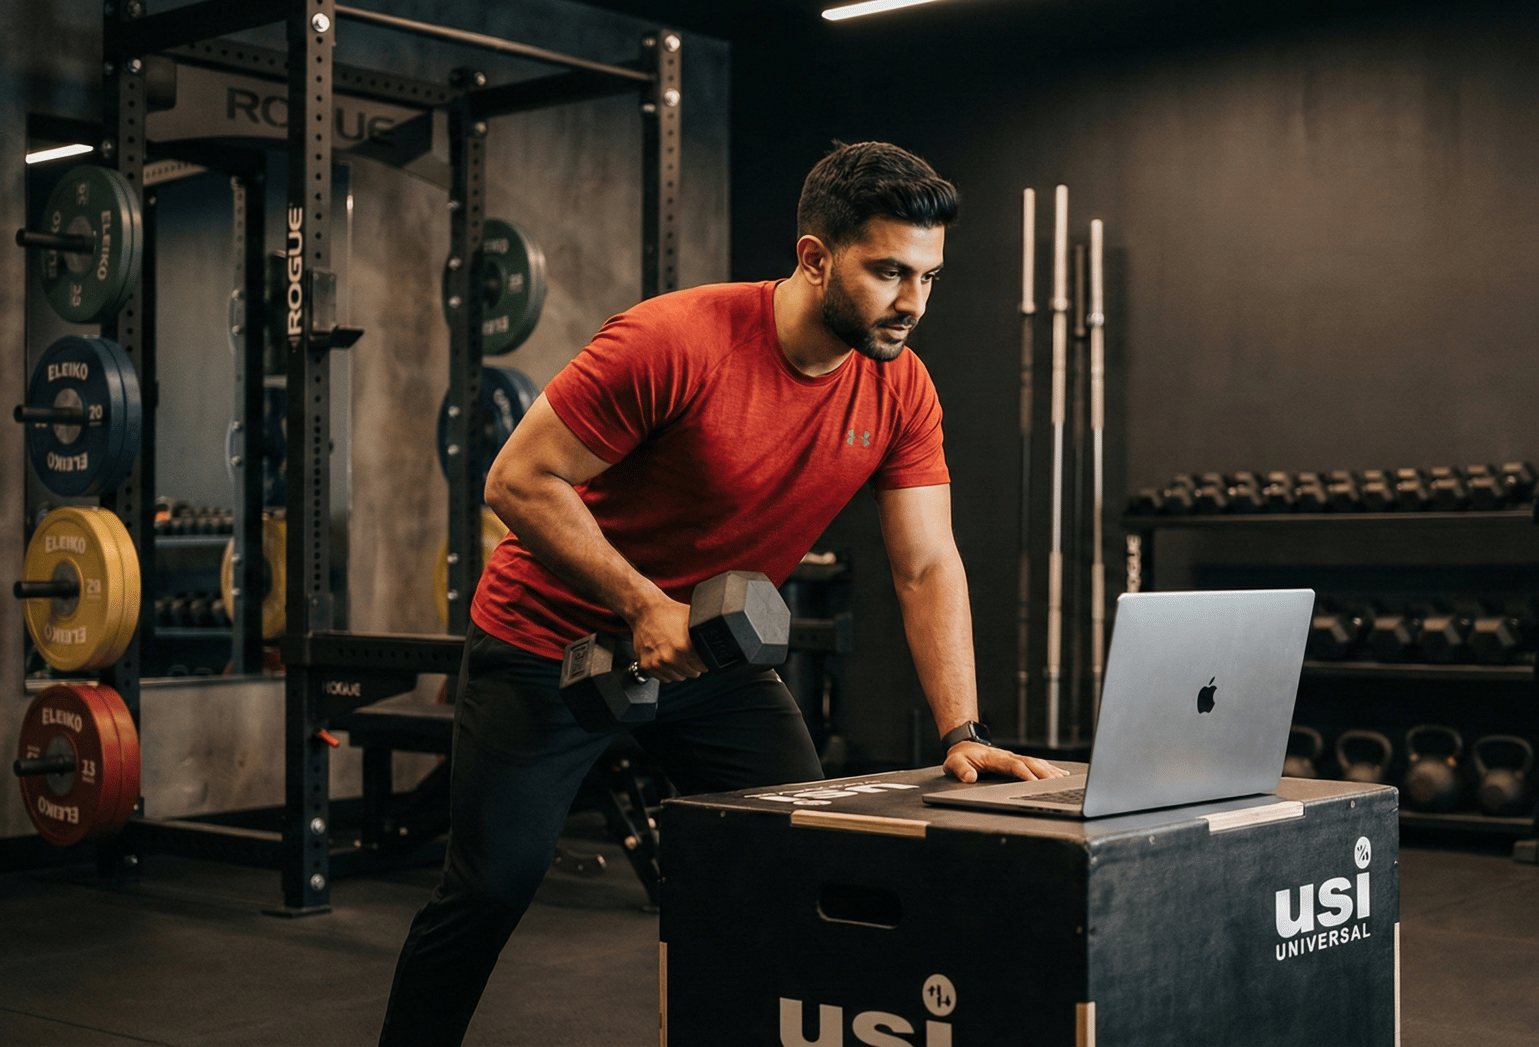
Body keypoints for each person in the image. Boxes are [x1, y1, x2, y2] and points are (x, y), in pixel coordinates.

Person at [379, 141, 1066, 1045]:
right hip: (551, 640)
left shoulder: (901, 389)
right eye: (889, 271)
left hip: (710, 654)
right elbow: (516, 481)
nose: (912, 303)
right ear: (814, 256)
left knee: (801, 859)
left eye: (929, 276)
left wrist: (961, 733)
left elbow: (927, 562)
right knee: (491, 886)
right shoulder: (675, 341)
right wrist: (641, 603)